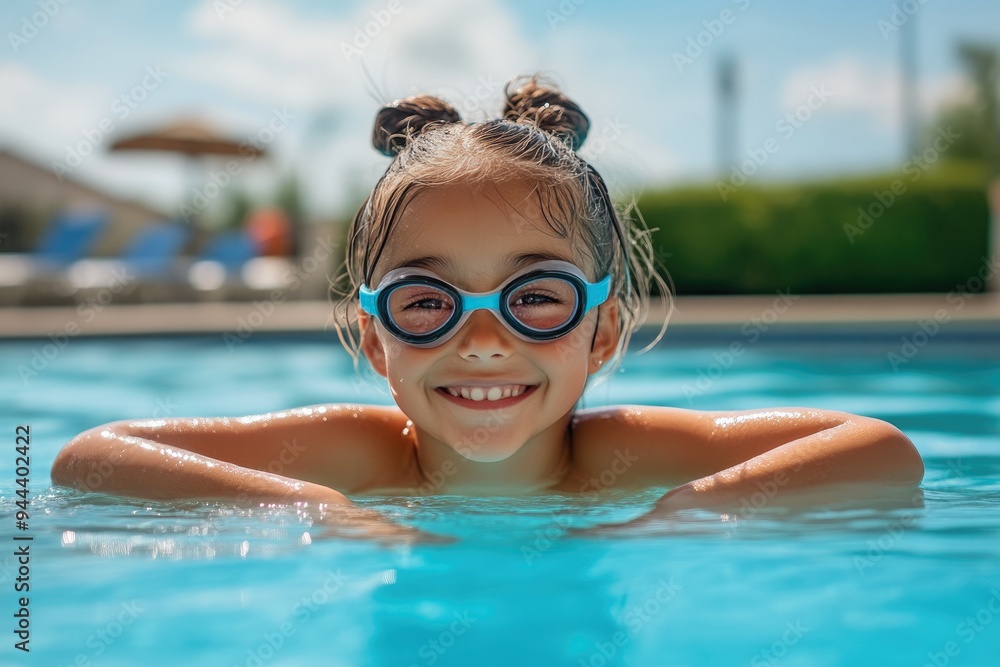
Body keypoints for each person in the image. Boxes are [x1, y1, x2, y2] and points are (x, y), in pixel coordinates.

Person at [51, 75, 923, 541]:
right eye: (425, 302)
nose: (481, 339)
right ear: (376, 339)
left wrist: (673, 517)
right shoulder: (362, 460)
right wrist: (332, 513)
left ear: (603, 331)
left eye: (534, 297)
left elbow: (881, 452)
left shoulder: (620, 459)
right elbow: (90, 458)